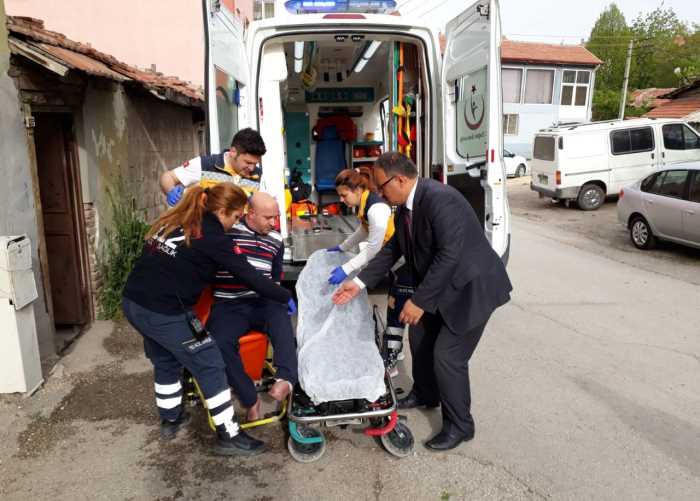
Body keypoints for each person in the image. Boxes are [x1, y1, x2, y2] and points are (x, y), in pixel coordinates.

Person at [332, 152, 512, 451]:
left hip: (472, 289)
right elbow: (391, 250)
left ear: (400, 179)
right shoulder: (404, 206)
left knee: (447, 356)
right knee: (419, 336)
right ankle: (426, 393)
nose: (377, 193)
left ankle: (460, 426)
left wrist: (419, 301)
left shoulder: (440, 199)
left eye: (380, 187)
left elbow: (449, 256)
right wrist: (359, 282)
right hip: (443, 287)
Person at [122, 182, 295, 457]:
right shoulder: (214, 237)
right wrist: (282, 295)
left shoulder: (180, 220)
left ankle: (171, 418)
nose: (235, 223)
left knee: (166, 359)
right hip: (165, 311)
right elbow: (248, 275)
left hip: (134, 302)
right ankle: (229, 434)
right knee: (210, 361)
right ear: (223, 211)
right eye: (236, 217)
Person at [206, 192, 298, 422]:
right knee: (219, 341)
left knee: (283, 324)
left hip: (262, 301)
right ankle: (250, 398)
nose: (273, 223)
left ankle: (285, 379)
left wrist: (279, 297)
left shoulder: (276, 240)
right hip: (229, 303)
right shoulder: (229, 232)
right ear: (251, 214)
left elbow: (275, 279)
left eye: (275, 217)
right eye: (268, 217)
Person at [326, 168, 406, 371]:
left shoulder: (376, 209)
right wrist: (342, 247)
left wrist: (347, 268)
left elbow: (374, 247)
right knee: (395, 305)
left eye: (344, 195)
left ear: (358, 188)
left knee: (396, 308)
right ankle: (394, 349)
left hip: (403, 261)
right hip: (392, 260)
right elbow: (363, 229)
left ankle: (391, 361)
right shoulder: (365, 204)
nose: (342, 200)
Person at [160, 128, 266, 206]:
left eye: (255, 164)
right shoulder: (205, 164)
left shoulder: (257, 174)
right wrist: (170, 190)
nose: (252, 168)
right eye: (248, 162)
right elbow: (168, 177)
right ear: (233, 152)